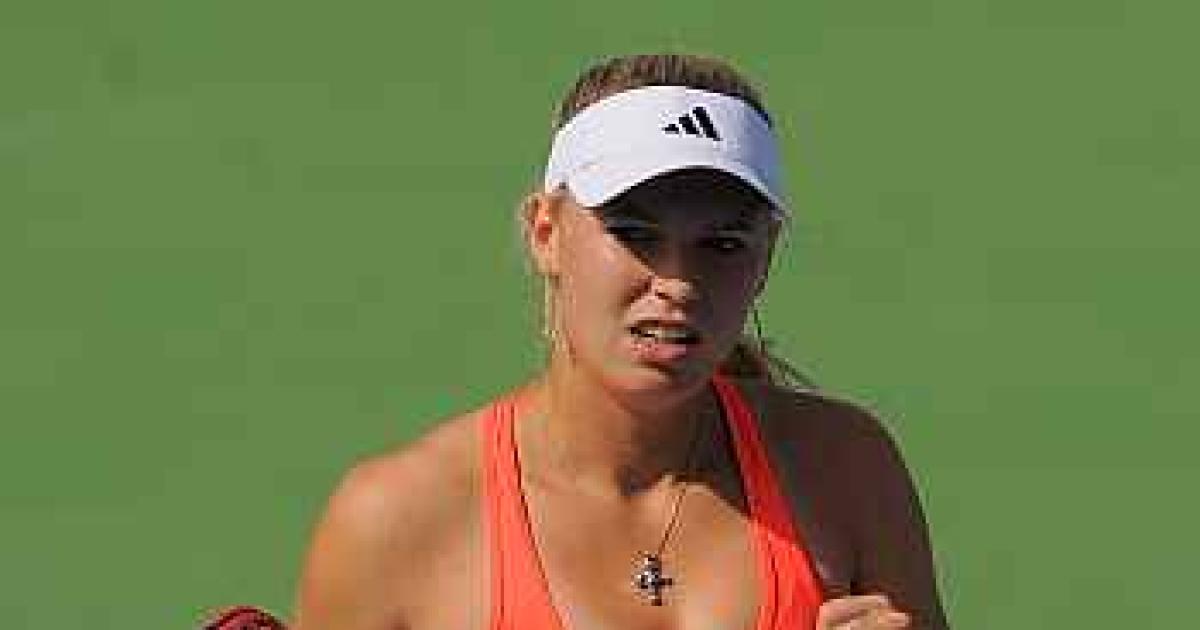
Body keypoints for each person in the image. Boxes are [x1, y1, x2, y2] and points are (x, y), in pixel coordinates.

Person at [290, 54, 950, 630]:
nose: (678, 282)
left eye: (722, 244)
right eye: (634, 234)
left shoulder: (846, 469)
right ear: (546, 232)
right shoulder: (392, 520)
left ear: (766, 259)